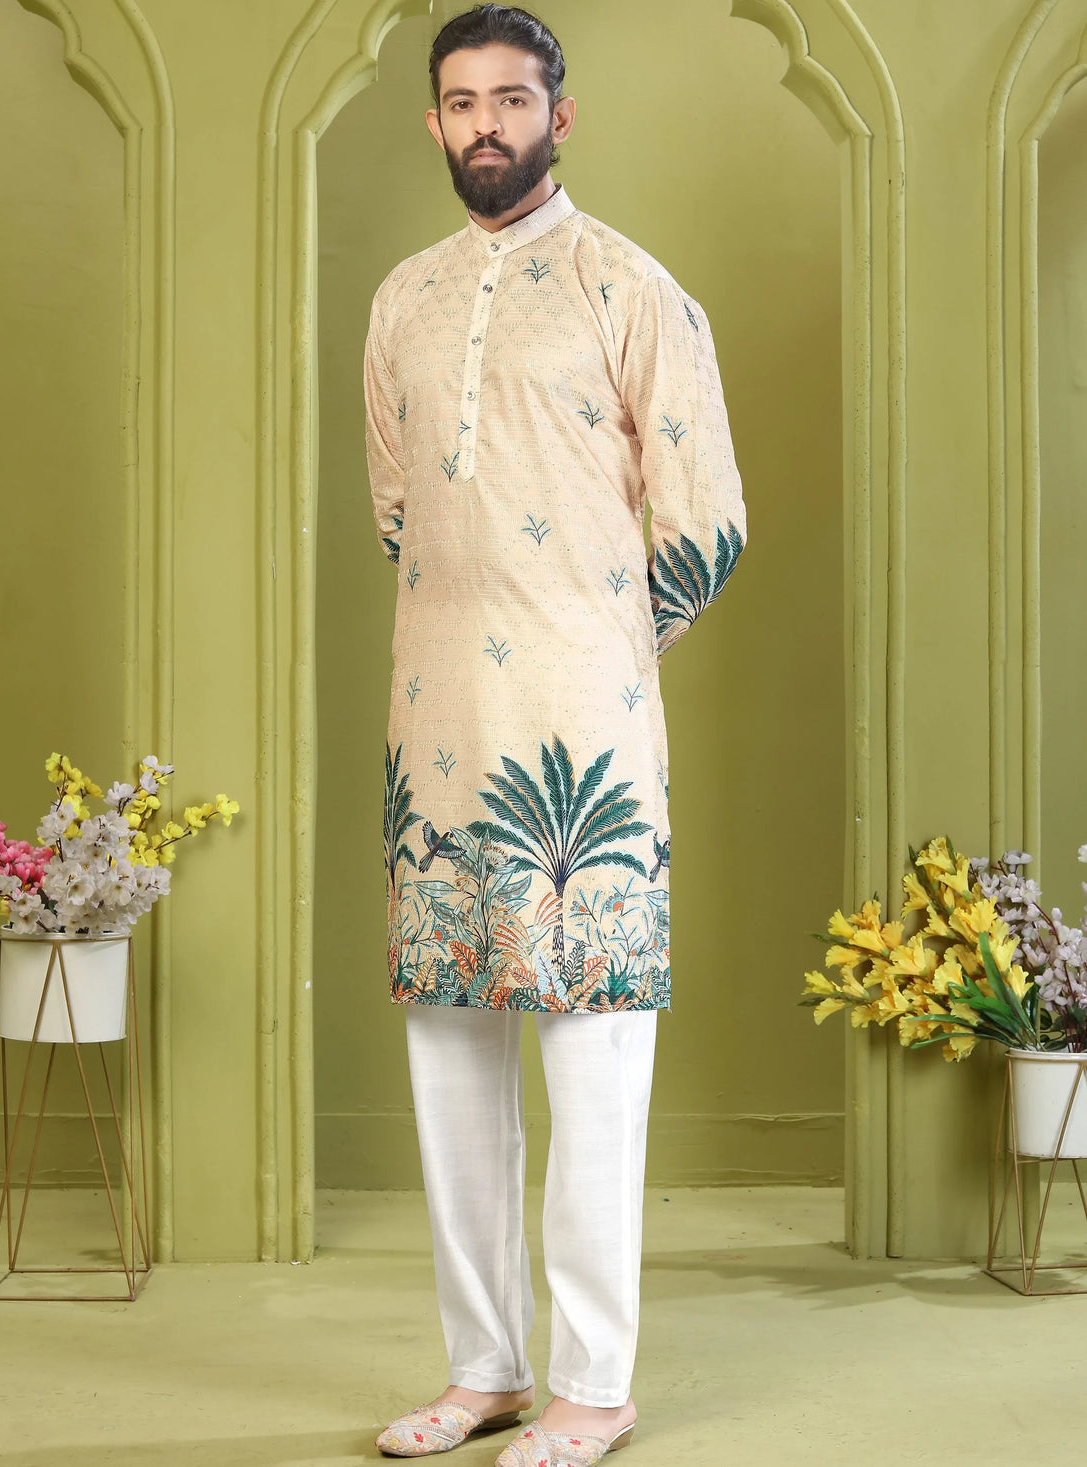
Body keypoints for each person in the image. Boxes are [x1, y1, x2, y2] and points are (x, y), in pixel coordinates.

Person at [365, 7, 746, 1463]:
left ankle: (596, 1384)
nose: (487, 124)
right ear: (435, 122)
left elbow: (706, 525)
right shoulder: (402, 299)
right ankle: (486, 1372)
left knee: (593, 1068)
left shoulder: (631, 287)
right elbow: (399, 507)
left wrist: (595, 649)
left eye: (512, 99)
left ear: (559, 117)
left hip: (584, 746)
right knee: (452, 1061)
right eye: (462, 102)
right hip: (435, 730)